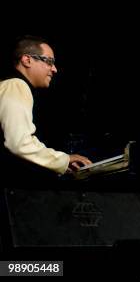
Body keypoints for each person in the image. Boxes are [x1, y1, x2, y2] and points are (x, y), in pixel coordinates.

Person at [0, 35, 91, 185]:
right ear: (27, 60)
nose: (54, 69)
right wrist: (63, 159)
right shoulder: (16, 85)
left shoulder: (8, 85)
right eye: (49, 62)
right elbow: (19, 143)